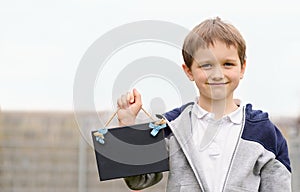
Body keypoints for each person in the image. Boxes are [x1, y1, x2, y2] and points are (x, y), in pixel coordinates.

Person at [116, 17, 291, 192]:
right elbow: (138, 180)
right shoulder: (172, 127)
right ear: (188, 71)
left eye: (227, 64)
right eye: (206, 65)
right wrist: (126, 126)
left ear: (242, 68)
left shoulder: (265, 133)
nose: (217, 74)